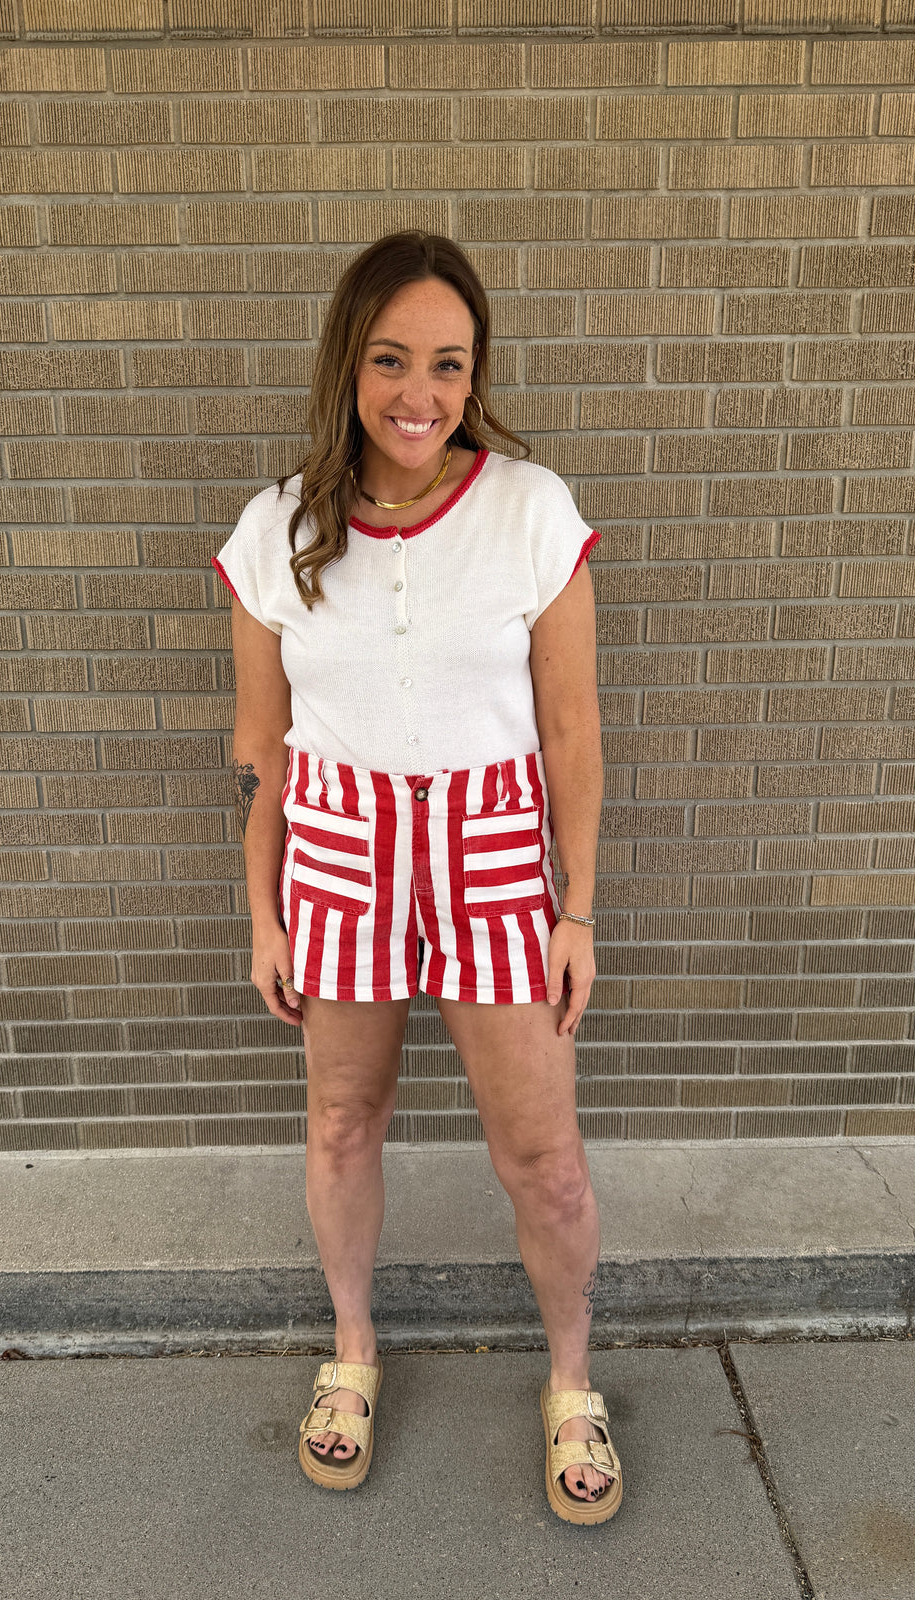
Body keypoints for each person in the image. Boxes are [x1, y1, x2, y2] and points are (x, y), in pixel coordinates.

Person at [214, 231, 620, 1525]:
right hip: (338, 853)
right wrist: (263, 907)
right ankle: (353, 1353)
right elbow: (258, 750)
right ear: (349, 364)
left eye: (448, 364)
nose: (418, 393)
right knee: (344, 1123)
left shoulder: (528, 511)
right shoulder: (276, 530)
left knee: (543, 1155)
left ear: (474, 373)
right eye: (391, 359)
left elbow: (573, 739)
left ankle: (571, 1382)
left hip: (495, 854)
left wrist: (577, 911)